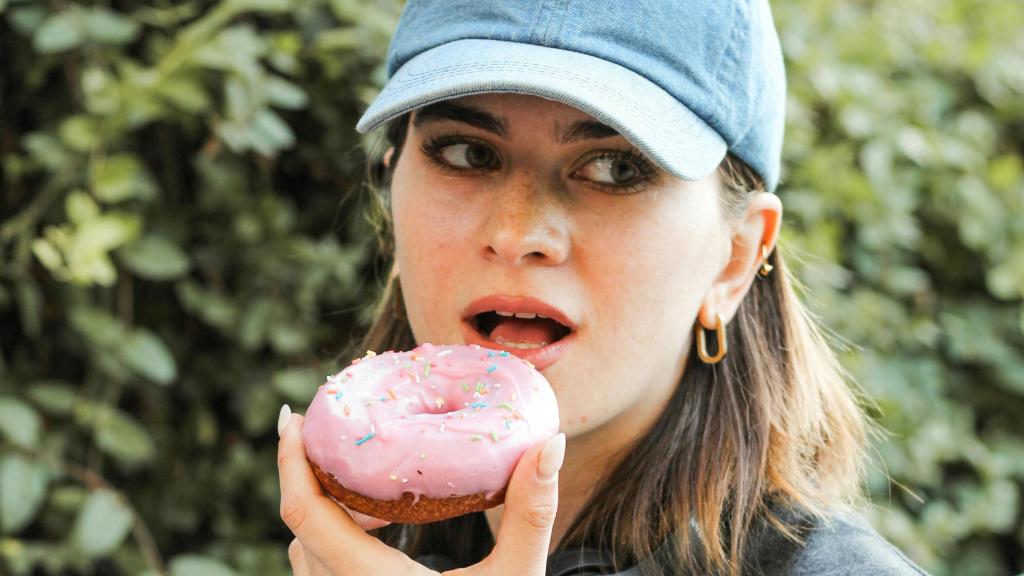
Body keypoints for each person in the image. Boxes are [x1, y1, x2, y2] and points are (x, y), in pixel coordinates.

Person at [275, 0, 930, 574]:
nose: (519, 232)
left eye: (615, 168)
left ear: (735, 258)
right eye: (467, 153)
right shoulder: (346, 554)